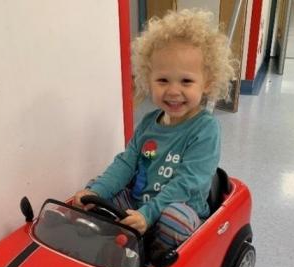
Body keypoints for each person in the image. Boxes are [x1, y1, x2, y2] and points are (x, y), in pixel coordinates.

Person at [74, 9, 235, 253]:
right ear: (148, 79)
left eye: (186, 81)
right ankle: (114, 249)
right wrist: (96, 192)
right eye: (162, 80)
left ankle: (154, 258)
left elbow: (187, 183)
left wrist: (149, 214)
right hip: (139, 203)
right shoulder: (150, 123)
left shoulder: (206, 129)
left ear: (208, 83)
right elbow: (126, 164)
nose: (173, 91)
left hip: (179, 207)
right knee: (97, 200)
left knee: (175, 221)